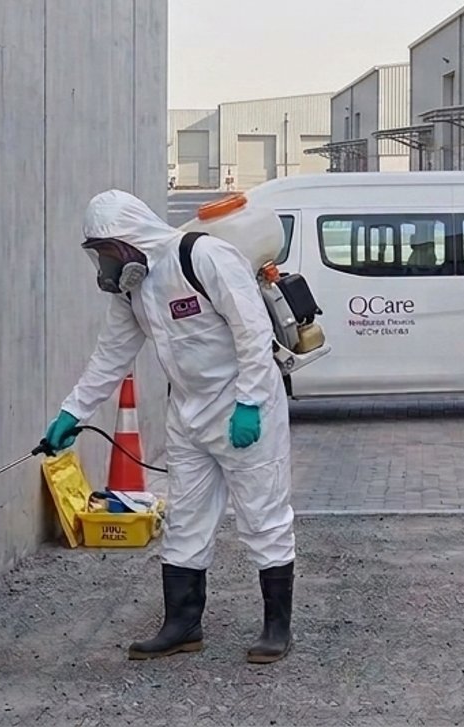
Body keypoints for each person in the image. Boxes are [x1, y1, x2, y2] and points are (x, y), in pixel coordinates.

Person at [40, 189, 297, 664]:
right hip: (189, 414)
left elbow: (253, 333)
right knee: (185, 520)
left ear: (132, 237)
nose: (108, 264)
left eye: (110, 252)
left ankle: (275, 628)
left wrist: (249, 403)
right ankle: (182, 625)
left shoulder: (201, 257)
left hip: (246, 410)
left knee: (262, 516)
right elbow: (111, 356)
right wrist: (73, 413)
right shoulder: (132, 291)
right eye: (100, 255)